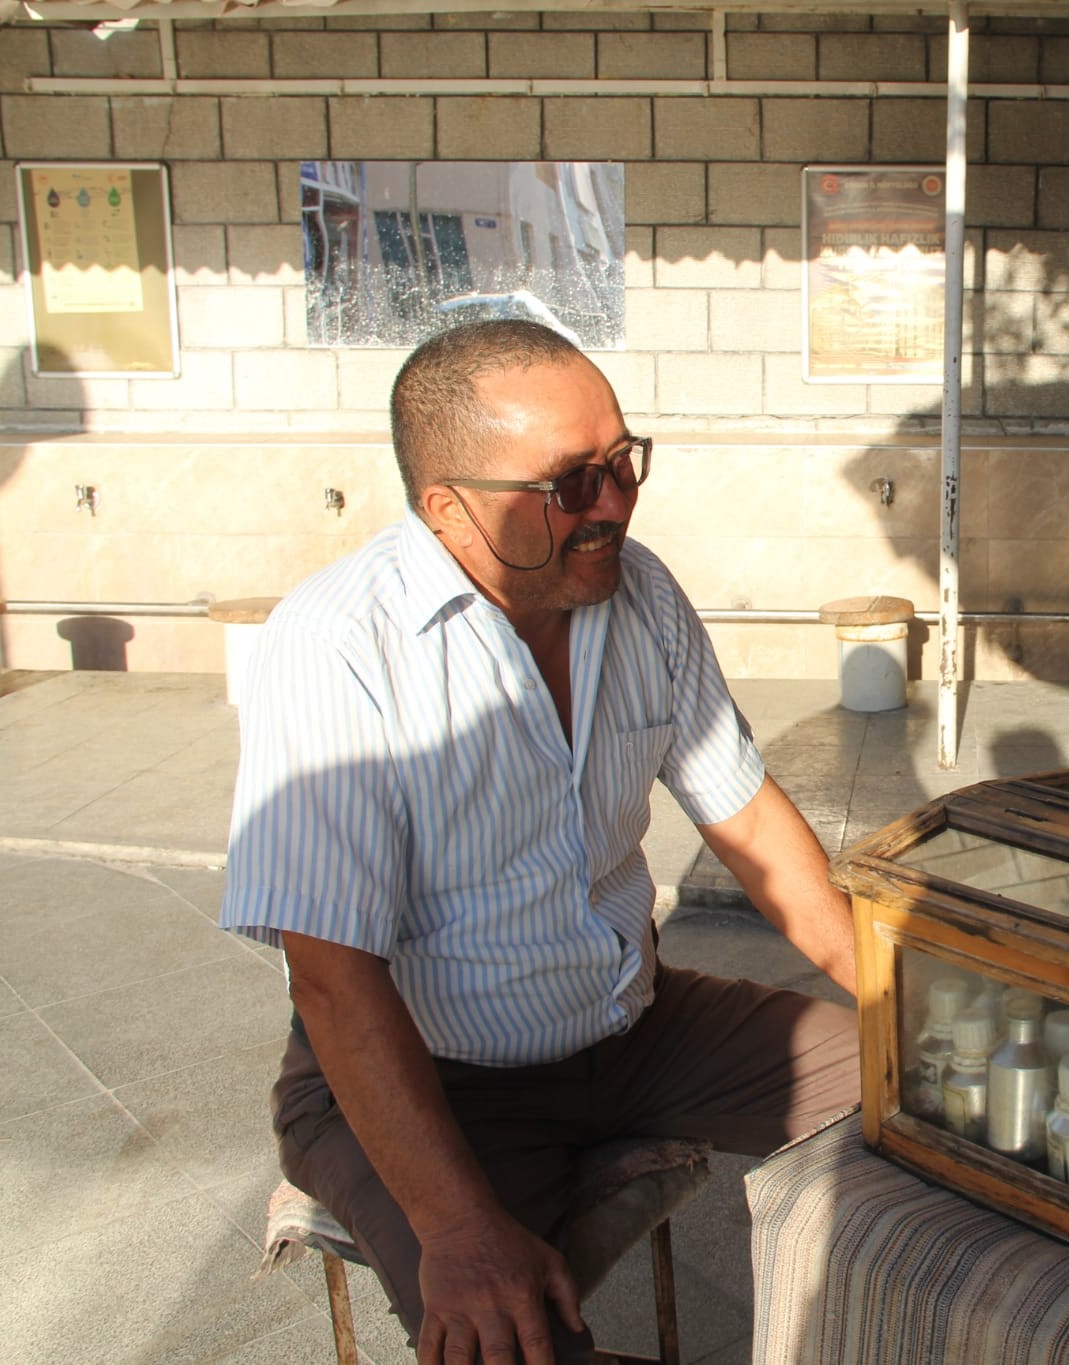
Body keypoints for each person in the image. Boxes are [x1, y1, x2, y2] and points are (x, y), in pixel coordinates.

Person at [221, 319, 860, 1362]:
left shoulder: (641, 595)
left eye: (620, 465)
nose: (610, 503)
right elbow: (333, 978)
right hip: (433, 1080)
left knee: (936, 1091)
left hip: (637, 1029)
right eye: (568, 484)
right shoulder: (339, 643)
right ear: (447, 506)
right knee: (506, 1339)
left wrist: (907, 1004)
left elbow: (748, 824)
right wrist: (461, 1230)